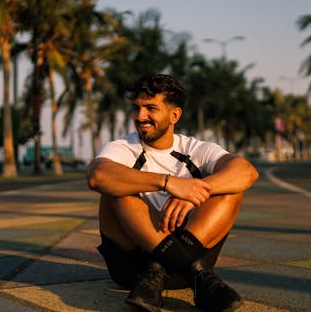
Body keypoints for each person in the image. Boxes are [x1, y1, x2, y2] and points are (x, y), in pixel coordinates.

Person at [87, 74, 259, 312]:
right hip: (132, 269)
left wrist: (195, 192)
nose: (140, 116)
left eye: (150, 108)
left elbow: (246, 172)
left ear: (174, 115)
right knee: (116, 189)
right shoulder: (123, 147)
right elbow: (97, 176)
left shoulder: (194, 149)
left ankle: (160, 270)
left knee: (231, 189)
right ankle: (199, 279)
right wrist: (168, 183)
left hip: (186, 257)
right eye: (136, 108)